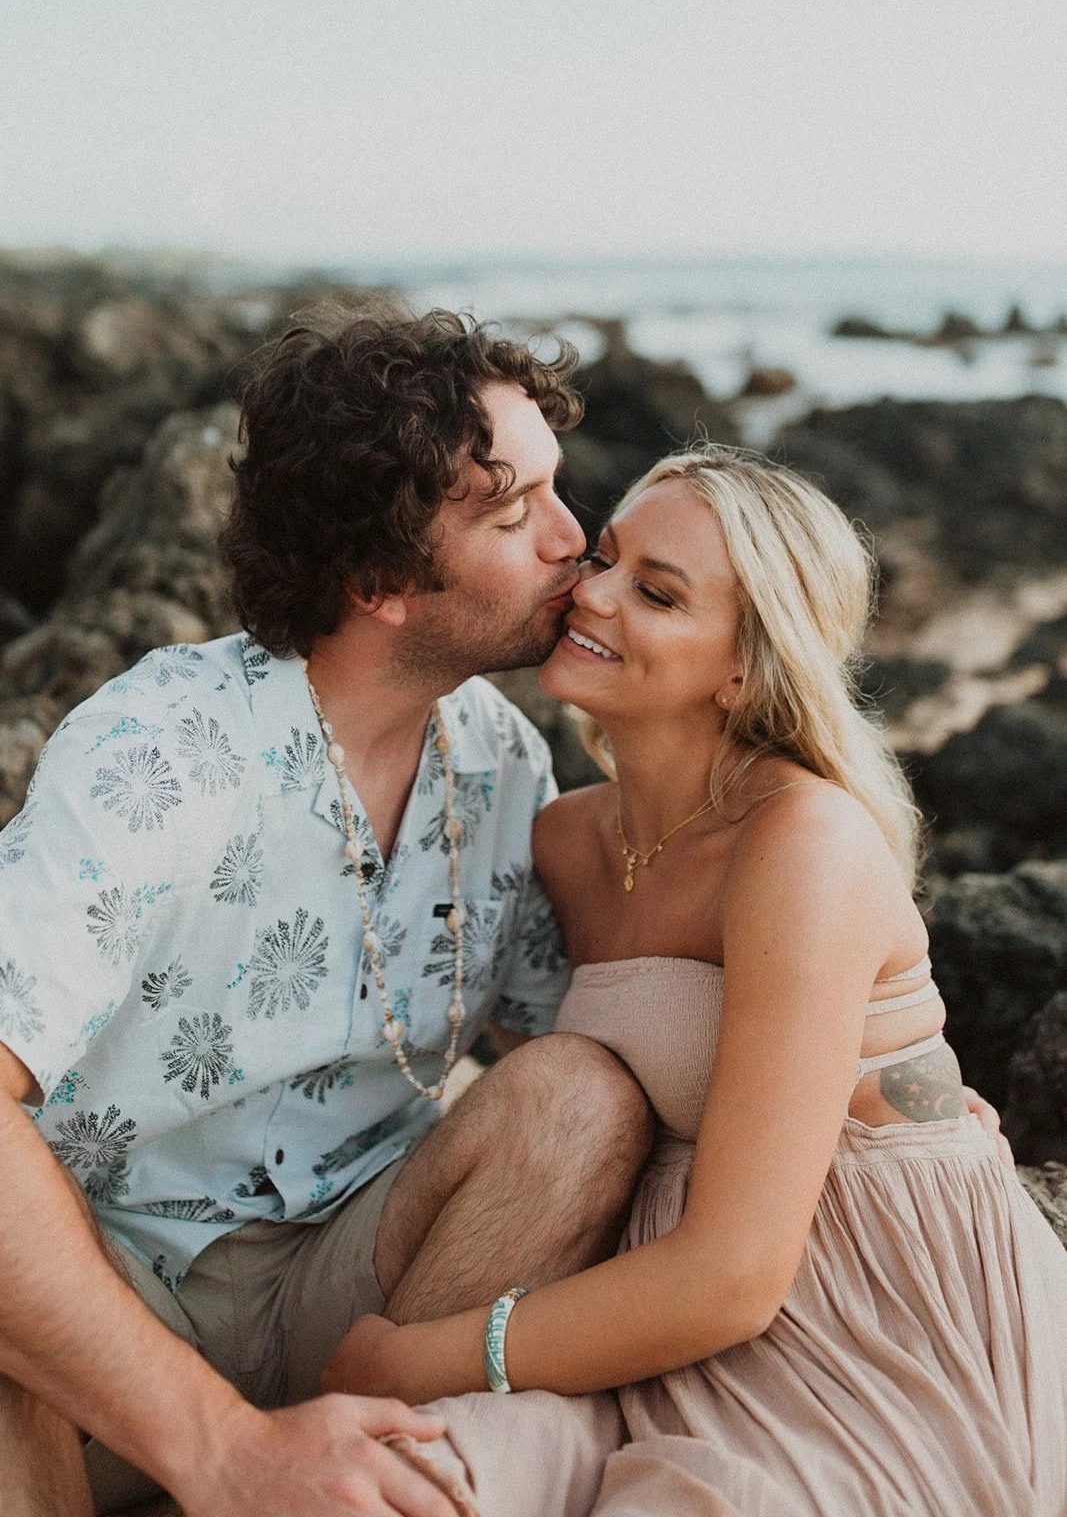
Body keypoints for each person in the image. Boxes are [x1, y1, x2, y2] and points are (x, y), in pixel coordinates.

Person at [324, 446, 1067, 1517]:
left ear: (743, 670)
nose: (593, 594)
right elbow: (535, 1084)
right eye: (606, 558)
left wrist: (409, 1359)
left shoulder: (801, 841)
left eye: (658, 594)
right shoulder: (567, 840)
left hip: (861, 1314)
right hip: (645, 1298)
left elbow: (734, 1273)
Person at [0, 305, 656, 1517]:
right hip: (107, 1309)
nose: (574, 540)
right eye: (512, 513)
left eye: (556, 489)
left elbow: (591, 1025)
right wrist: (222, 1447)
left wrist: (873, 1074)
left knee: (580, 1098)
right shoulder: (163, 748)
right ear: (378, 581)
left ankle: (362, 1476)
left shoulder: (500, 760)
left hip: (350, 1289)